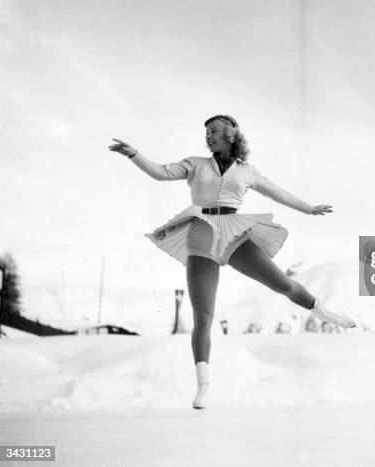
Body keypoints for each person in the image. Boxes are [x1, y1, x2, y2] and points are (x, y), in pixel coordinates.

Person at [109, 114, 356, 409]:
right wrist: (134, 154)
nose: (208, 136)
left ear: (231, 135)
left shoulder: (247, 171)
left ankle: (324, 312)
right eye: (207, 133)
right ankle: (202, 387)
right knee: (203, 317)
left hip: (233, 235)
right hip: (200, 234)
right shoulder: (196, 164)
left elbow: (278, 193)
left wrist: (309, 208)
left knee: (282, 284)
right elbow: (161, 173)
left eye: (214, 131)